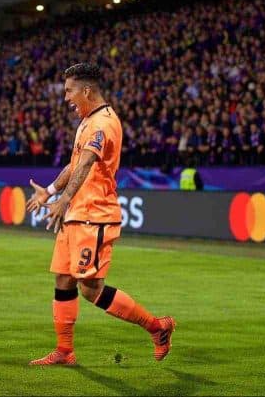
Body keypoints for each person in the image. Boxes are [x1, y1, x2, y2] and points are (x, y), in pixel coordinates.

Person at [26, 63, 175, 366]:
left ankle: (157, 327)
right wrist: (51, 191)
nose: (66, 97)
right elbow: (74, 162)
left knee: (90, 289)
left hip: (94, 214)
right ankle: (65, 351)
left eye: (69, 90)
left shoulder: (103, 123)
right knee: (64, 280)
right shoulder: (86, 121)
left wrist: (64, 200)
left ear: (87, 90)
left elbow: (87, 164)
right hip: (77, 213)